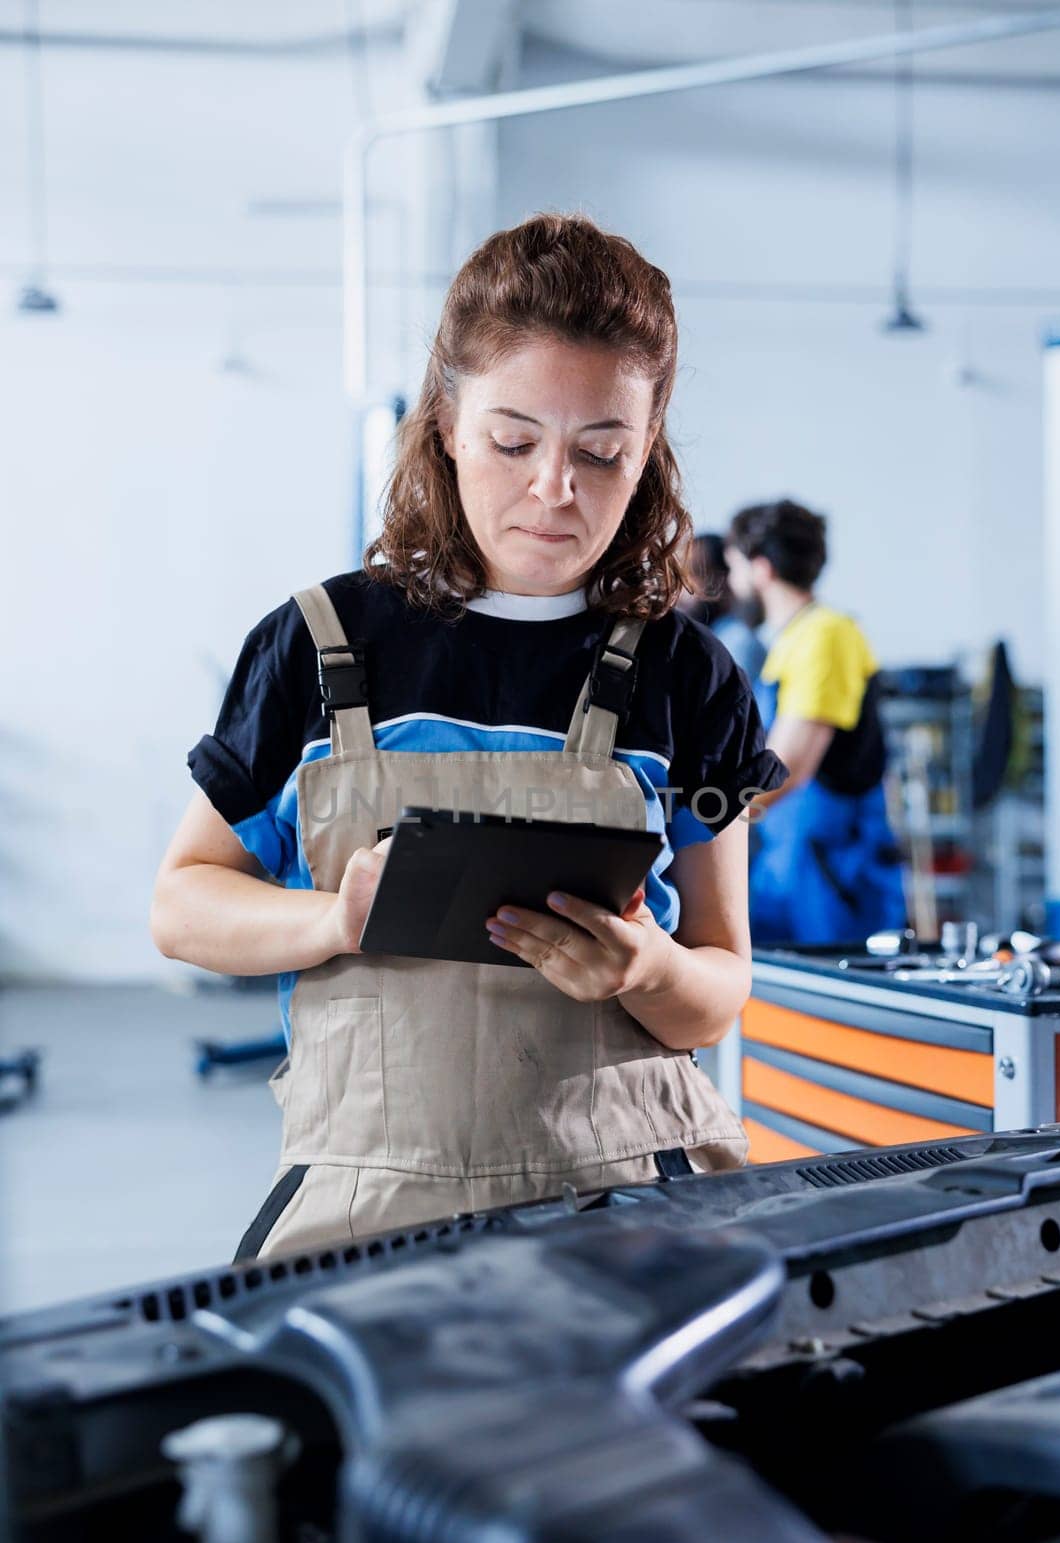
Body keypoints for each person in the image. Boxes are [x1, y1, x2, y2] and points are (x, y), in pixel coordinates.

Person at [151, 214, 788, 1260]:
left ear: (648, 446)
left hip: (629, 1207)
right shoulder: (319, 645)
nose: (555, 488)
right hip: (368, 1209)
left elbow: (718, 987)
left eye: (602, 450)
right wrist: (334, 920)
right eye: (512, 440)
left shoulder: (688, 676)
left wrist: (645, 969)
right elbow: (181, 905)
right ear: (446, 422)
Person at [724, 498, 906, 946]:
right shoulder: (792, 640)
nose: (730, 582)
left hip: (831, 873)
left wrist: (700, 822)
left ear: (761, 569)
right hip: (792, 861)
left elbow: (789, 766)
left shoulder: (825, 636)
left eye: (734, 568)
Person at [677, 531, 767, 684]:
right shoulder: (693, 641)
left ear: (724, 580)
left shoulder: (738, 643)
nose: (682, 588)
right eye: (679, 575)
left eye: (694, 572)